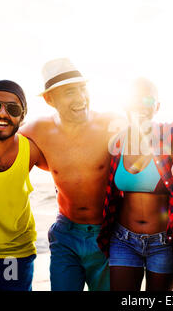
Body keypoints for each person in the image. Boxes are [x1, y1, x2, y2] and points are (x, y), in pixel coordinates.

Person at [19, 58, 119, 291]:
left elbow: (154, 132)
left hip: (106, 234)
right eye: (69, 92)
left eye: (82, 88)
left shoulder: (109, 123)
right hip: (66, 234)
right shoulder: (38, 130)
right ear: (49, 99)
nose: (80, 98)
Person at [96, 77, 173, 291]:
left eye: (147, 101)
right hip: (123, 240)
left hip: (163, 243)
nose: (140, 107)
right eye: (134, 100)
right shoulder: (116, 141)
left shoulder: (170, 134)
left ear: (157, 106)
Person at [0, 80, 47, 291]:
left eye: (13, 109)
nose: (2, 114)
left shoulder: (31, 150)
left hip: (14, 255)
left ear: (22, 116)